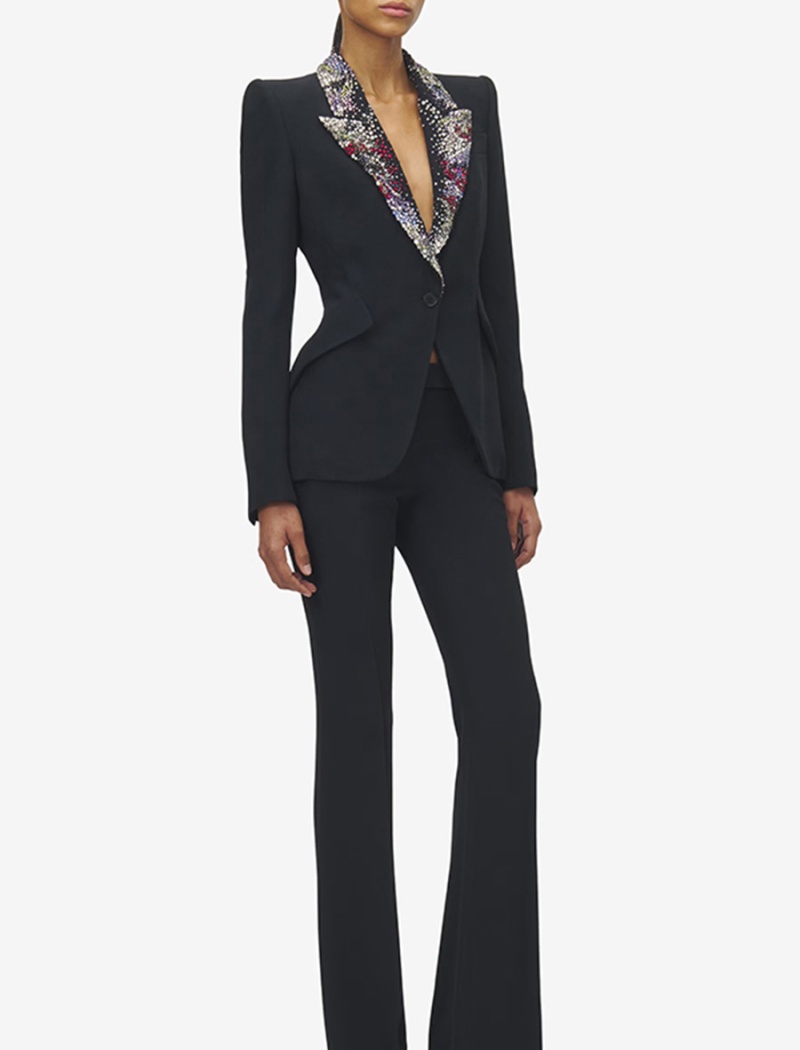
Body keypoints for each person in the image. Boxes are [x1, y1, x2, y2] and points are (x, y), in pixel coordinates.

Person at [239, 2, 544, 1047]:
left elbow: (496, 294)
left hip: (460, 445)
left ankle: (484, 1031)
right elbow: (266, 304)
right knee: (359, 737)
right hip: (334, 458)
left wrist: (518, 465)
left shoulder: (471, 108)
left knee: (506, 714)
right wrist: (268, 486)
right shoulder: (282, 112)